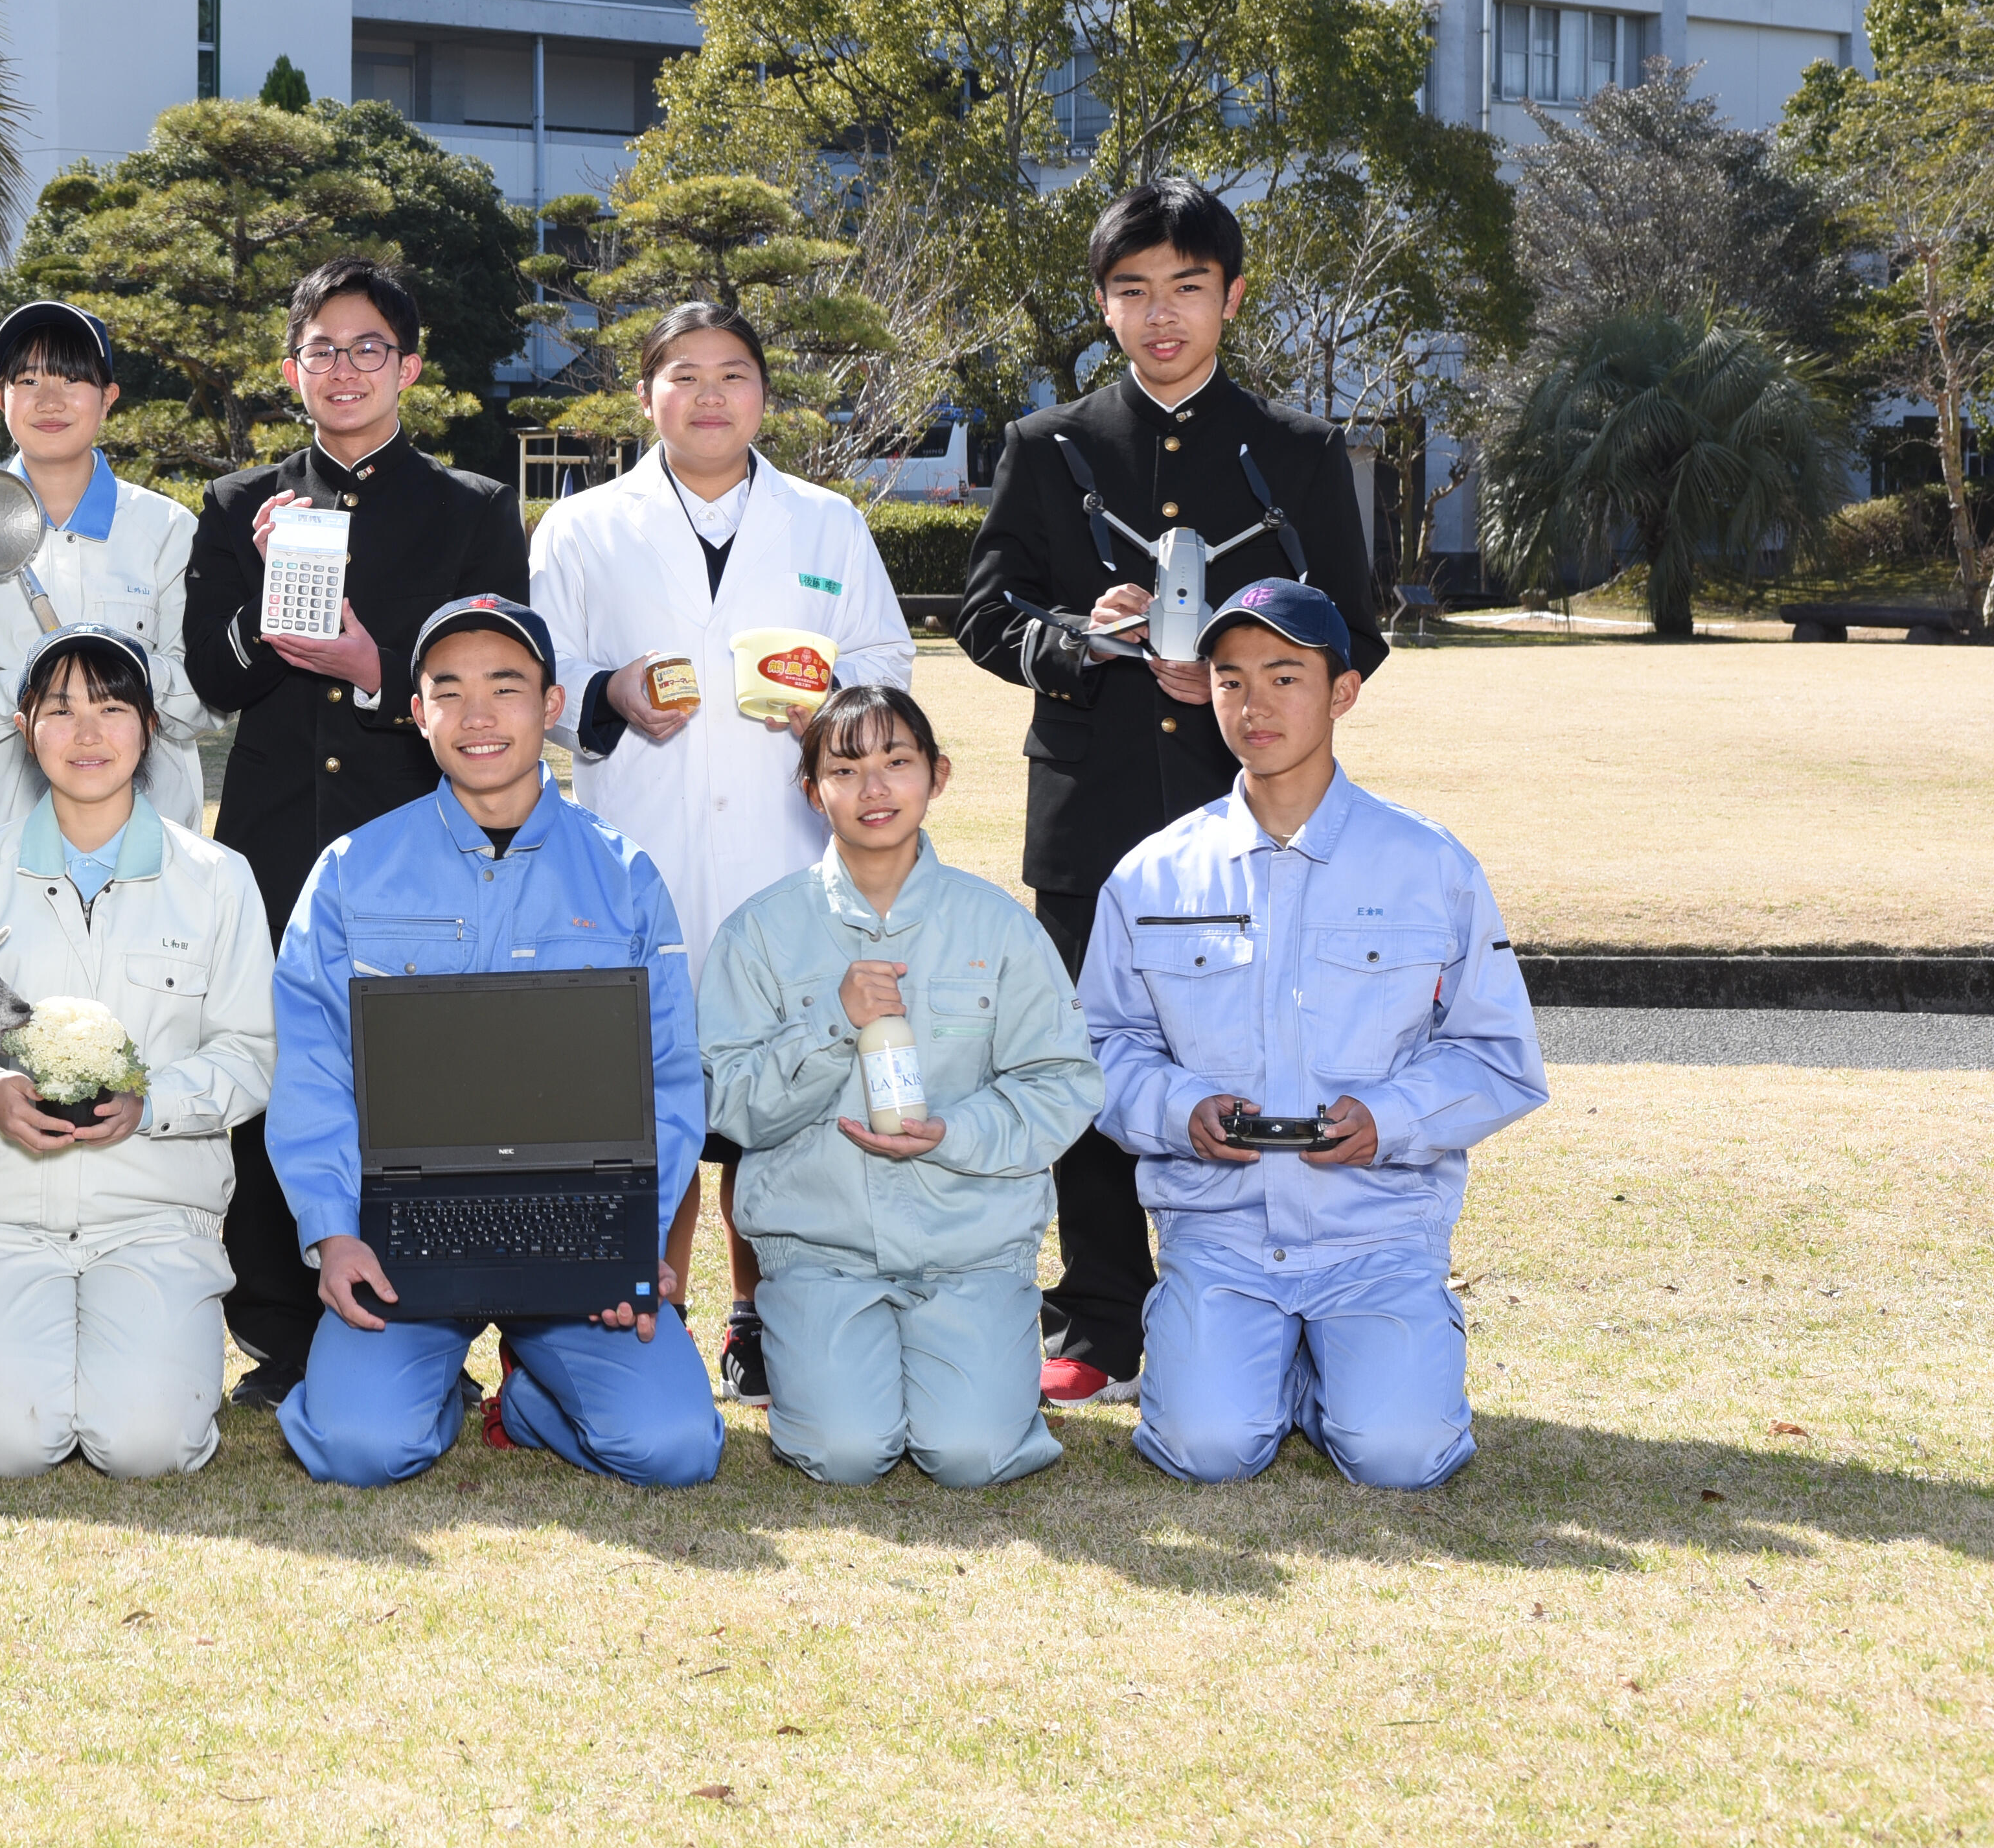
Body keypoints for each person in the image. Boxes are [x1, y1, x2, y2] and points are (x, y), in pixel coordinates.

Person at [955, 178, 1384, 1410]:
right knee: (1087, 1061)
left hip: (1248, 810)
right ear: (1101, 303)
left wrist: (1254, 673)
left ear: (1233, 297)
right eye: (1133, 291)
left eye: (1187, 289)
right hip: (1086, 810)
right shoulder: (1049, 449)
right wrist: (1074, 641)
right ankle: (1099, 1312)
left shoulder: (1297, 455)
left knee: (1249, 1050)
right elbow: (986, 614)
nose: (1161, 317)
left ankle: (1254, 1294)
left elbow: (1360, 628)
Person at [529, 298, 915, 1406]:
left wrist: (832, 715)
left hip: (784, 849)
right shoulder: (583, 526)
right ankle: (654, 1310)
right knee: (645, 1098)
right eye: (683, 374)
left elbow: (887, 660)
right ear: (645, 394)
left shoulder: (827, 523)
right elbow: (538, 686)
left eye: (733, 373)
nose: (709, 395)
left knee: (774, 1094)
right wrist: (605, 695)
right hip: (632, 847)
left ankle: (760, 1314)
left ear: (763, 393)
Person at [1082, 579, 1544, 1490]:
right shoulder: (1153, 876)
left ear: (1343, 692)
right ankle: (1269, 1367)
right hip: (1221, 1239)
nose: (1255, 705)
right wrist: (1180, 1111)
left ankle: (1347, 1368)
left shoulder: (1430, 865)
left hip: (1376, 1237)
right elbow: (1100, 1046)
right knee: (1206, 1451)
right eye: (1229, 679)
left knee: (1401, 1457)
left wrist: (1393, 1118)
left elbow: (1500, 1057)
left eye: (1285, 677)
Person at [268, 595, 722, 1490]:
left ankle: (532, 1402)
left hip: (580, 1230)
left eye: (505, 689)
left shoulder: (626, 878)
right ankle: (433, 1394)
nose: (478, 717)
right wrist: (332, 1233)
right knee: (362, 1449)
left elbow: (669, 1078)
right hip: (403, 1234)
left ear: (552, 705)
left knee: (672, 1449)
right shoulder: (352, 872)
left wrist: (634, 1239)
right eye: (449, 691)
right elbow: (313, 1069)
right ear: (418, 714)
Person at [186, 256, 530, 1408]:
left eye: (368, 347)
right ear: (294, 368)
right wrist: (263, 589)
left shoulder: (471, 509)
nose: (344, 369)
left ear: (410, 368)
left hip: (412, 834)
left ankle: (425, 1313)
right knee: (279, 1072)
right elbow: (212, 677)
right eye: (322, 348)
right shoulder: (240, 505)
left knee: (420, 1074)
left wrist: (380, 674)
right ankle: (283, 1332)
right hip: (274, 838)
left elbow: (500, 677)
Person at [700, 683, 1101, 1489]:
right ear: (812, 791)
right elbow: (724, 1096)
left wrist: (955, 1131)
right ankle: (814, 1352)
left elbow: (1062, 1083)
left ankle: (978, 1358)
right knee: (847, 1450)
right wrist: (830, 1022)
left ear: (938, 774)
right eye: (844, 769)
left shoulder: (997, 927)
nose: (873, 788)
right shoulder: (760, 931)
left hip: (969, 1248)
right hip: (823, 1248)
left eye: (896, 762)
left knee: (972, 1454)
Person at [0, 624, 274, 1477]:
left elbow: (253, 1052)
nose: (87, 733)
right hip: (1, 1217)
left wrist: (157, 1106)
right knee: (4, 1449)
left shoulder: (216, 879)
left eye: (112, 709)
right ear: (26, 724)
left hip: (154, 1219)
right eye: (60, 709)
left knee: (148, 1449)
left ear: (148, 728)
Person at [0, 300, 209, 853]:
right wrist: (34, 688)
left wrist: (106, 683)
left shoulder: (167, 529)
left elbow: (202, 694)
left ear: (109, 397)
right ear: (0, 399)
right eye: (29, 379)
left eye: (73, 378)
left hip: (144, 845)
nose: (50, 398)